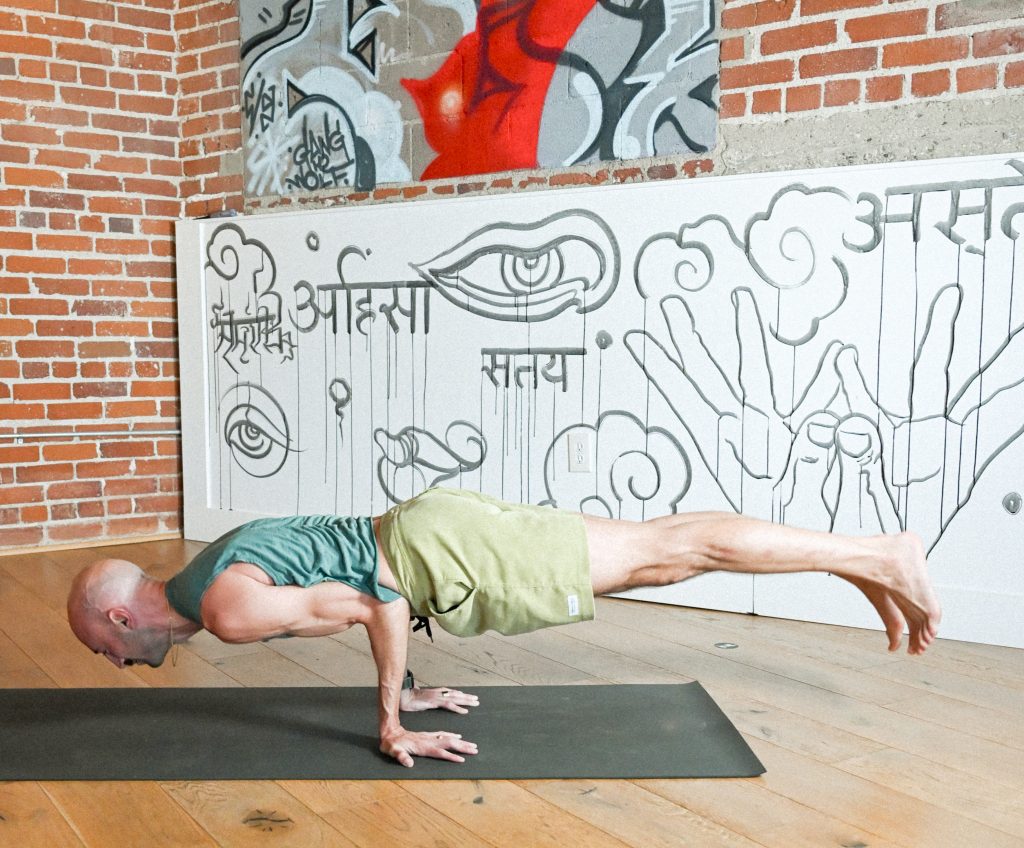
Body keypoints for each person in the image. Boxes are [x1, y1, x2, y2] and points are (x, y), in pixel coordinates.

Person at [67, 487, 941, 768]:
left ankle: (873, 554)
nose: (114, 663)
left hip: (441, 557)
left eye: (103, 649)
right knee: (666, 558)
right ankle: (861, 559)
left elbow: (379, 601)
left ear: (118, 616)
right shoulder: (213, 566)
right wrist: (411, 686)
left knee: (665, 551)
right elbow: (350, 578)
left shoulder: (223, 608)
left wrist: (390, 722)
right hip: (434, 532)